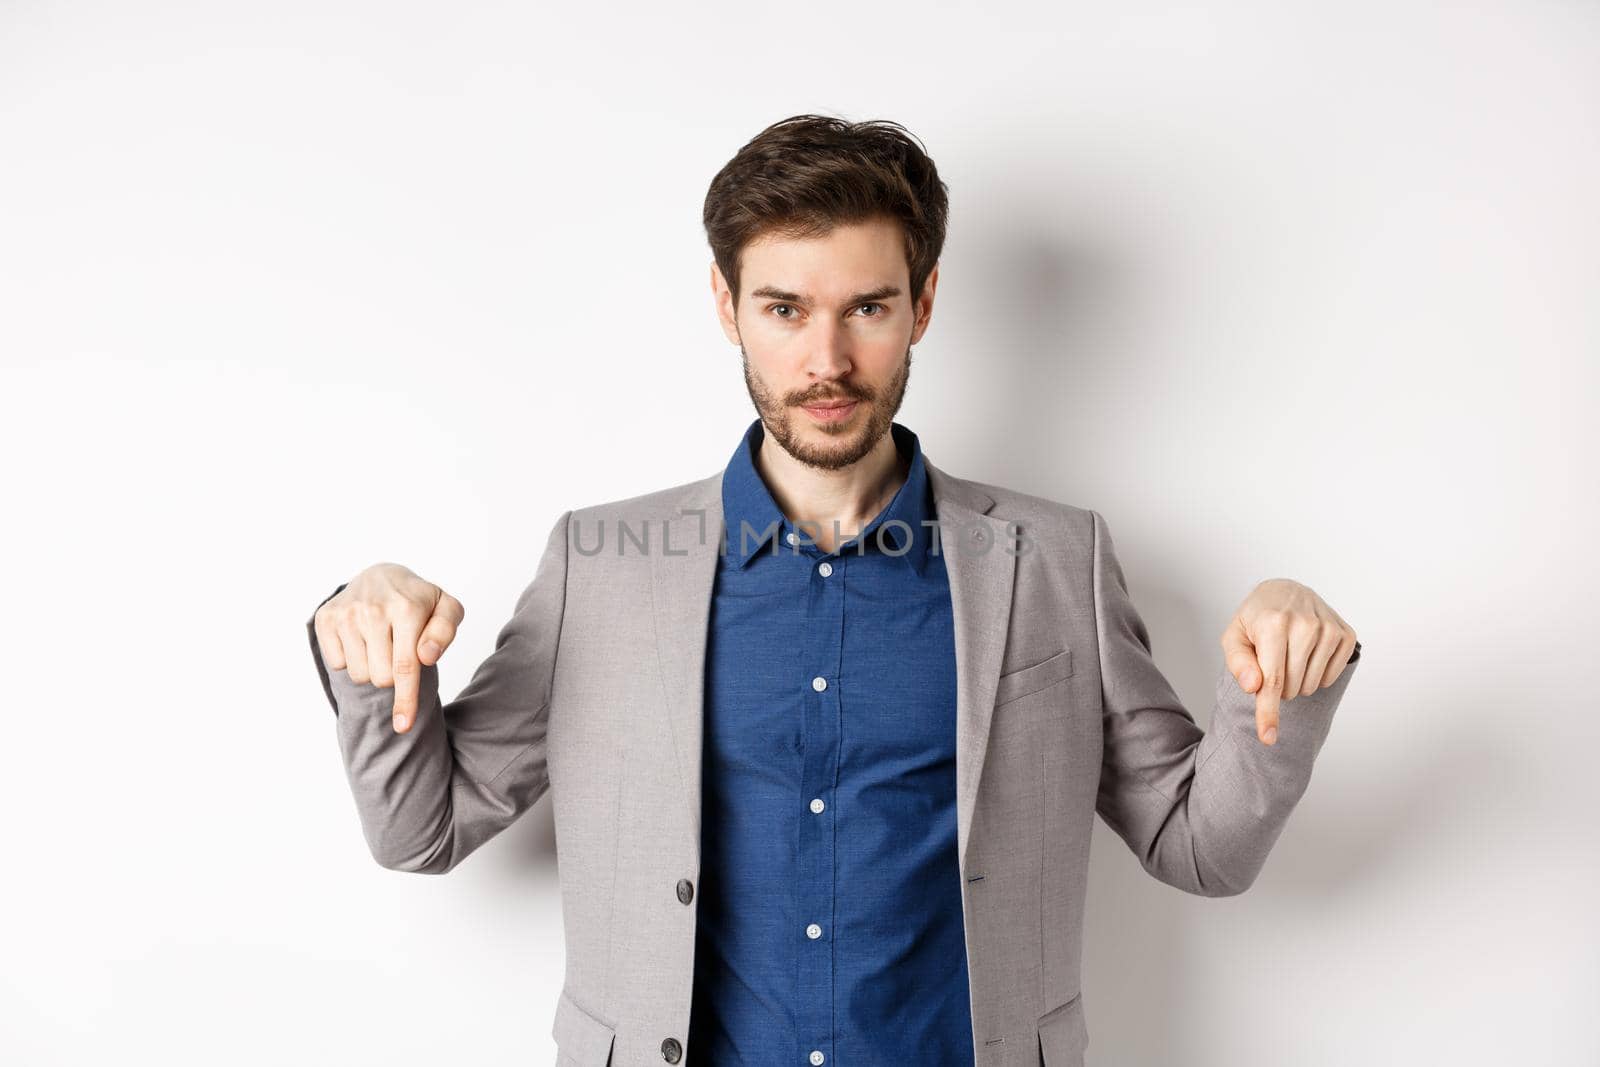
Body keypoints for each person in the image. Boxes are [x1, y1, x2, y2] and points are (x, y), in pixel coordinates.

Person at [306, 113, 1362, 1067]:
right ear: (727, 305)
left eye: (866, 306)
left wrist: (1281, 676)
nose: (827, 358)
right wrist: (368, 637)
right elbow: (421, 827)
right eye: (783, 307)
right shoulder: (602, 565)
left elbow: (1199, 848)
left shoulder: (1053, 560)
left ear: (924, 302)